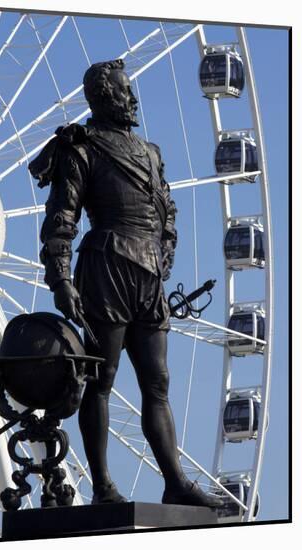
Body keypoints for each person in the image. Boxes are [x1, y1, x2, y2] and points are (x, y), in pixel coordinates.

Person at [29, 59, 223, 508]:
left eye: (132, 90)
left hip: (147, 275)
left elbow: (167, 211)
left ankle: (175, 481)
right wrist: (61, 279)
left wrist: (165, 253)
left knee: (158, 383)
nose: (133, 98)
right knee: (101, 380)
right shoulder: (80, 148)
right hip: (106, 269)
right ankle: (102, 488)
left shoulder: (151, 153)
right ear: (102, 96)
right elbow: (61, 219)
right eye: (125, 90)